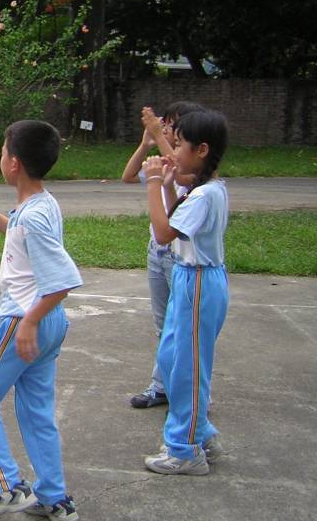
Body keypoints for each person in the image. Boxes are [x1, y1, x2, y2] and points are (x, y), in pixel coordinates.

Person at [0, 120, 82, 520]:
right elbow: (17, 234)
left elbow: (62, 280)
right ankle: (53, 497)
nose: (1, 158)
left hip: (25, 320)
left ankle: (7, 487)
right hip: (48, 321)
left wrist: (28, 322)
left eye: (3, 151)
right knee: (36, 411)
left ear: (14, 164)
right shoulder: (41, 204)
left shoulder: (33, 217)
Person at [141, 109, 229, 476]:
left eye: (179, 145)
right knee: (172, 359)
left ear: (202, 150)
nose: (173, 151)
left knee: (187, 370)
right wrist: (166, 185)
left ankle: (185, 448)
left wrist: (152, 183)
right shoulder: (202, 189)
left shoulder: (206, 195)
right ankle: (201, 433)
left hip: (199, 282)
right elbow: (176, 219)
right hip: (188, 277)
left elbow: (163, 234)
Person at [120, 101, 205, 409]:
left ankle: (193, 393)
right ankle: (162, 386)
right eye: (166, 125)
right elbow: (128, 176)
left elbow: (182, 176)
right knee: (163, 326)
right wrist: (147, 143)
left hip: (180, 257)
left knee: (183, 328)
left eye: (174, 127)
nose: (168, 131)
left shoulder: (198, 173)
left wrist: (158, 136)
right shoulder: (167, 162)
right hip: (157, 252)